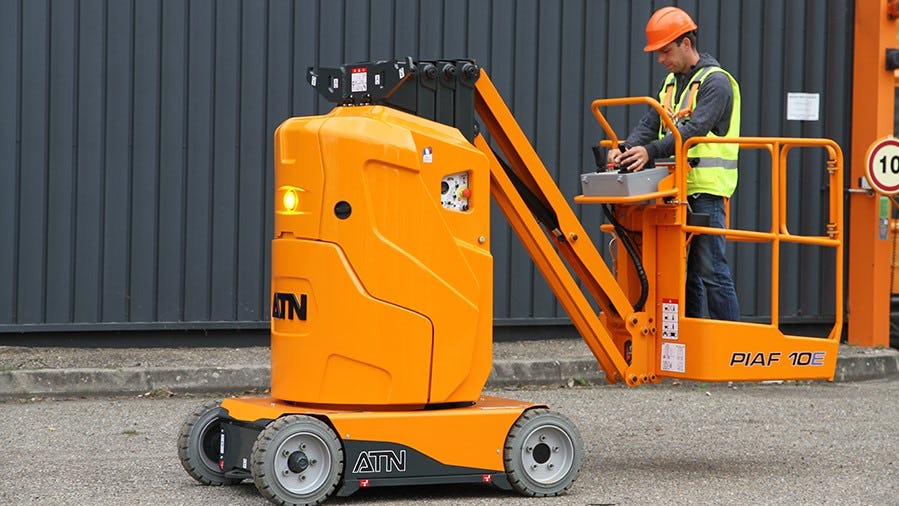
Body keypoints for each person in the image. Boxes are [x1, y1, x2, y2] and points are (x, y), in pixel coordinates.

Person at [608, 6, 740, 321]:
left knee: (710, 270)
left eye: (665, 51)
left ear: (686, 43)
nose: (661, 59)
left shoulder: (716, 82)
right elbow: (649, 123)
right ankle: (688, 342)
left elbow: (692, 130)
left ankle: (729, 347)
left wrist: (649, 152)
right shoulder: (671, 83)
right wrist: (624, 148)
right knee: (684, 273)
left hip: (706, 190)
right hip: (675, 188)